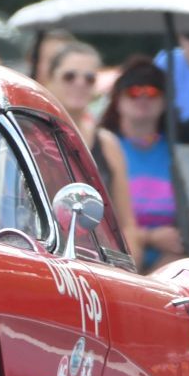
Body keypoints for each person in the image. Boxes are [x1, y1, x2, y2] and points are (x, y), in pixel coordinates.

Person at [41, 41, 141, 264]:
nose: (80, 84)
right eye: (69, 76)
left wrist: (127, 272)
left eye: (89, 78)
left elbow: (126, 225)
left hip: (99, 263)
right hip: (46, 256)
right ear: (49, 78)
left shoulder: (107, 144)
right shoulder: (34, 136)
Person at [99, 56, 185, 271]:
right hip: (113, 261)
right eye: (134, 92)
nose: (143, 98)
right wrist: (149, 237)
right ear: (118, 100)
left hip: (170, 266)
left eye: (153, 92)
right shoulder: (103, 148)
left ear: (165, 101)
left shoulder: (178, 154)